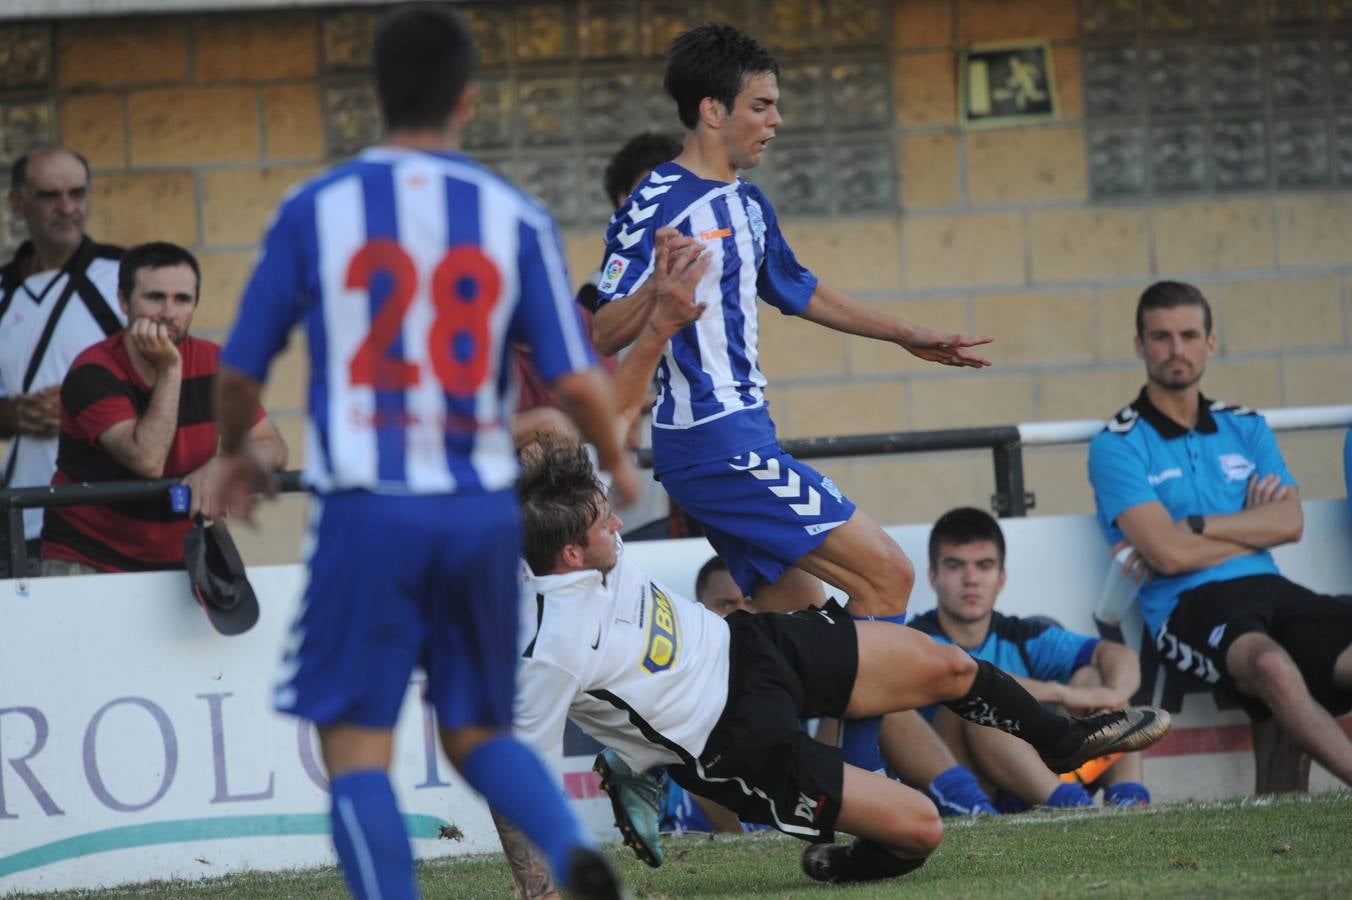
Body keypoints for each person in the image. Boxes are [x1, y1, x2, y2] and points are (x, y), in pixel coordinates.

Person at [208, 7, 634, 899]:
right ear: (467, 100)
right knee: (478, 729)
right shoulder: (509, 213)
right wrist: (616, 461)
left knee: (355, 739)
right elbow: (579, 378)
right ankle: (570, 849)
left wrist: (233, 452)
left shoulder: (315, 208)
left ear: (375, 94)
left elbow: (241, 370)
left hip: (371, 506)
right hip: (479, 511)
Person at [588, 22, 993, 782]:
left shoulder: (747, 204)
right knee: (888, 580)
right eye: (762, 105)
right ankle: (863, 792)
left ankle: (663, 750)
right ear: (712, 110)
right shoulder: (657, 200)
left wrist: (907, 333)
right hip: (712, 442)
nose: (777, 121)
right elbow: (605, 327)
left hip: (744, 440)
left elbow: (799, 289)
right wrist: (658, 290)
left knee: (806, 630)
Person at [507, 433, 1171, 887]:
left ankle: (1059, 744)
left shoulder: (561, 530)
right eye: (603, 523)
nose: (617, 526)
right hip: (737, 743)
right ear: (569, 554)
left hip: (755, 646)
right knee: (921, 829)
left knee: (950, 667)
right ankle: (842, 864)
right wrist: (537, 889)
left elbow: (530, 442)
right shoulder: (554, 644)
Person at [1088, 280, 1352, 788]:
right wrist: (1252, 529)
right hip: (1186, 605)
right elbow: (1165, 555)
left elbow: (1291, 524)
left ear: (1210, 343)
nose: (1176, 349)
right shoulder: (1117, 443)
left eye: (1189, 335)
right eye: (1161, 337)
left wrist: (1199, 526)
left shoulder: (1247, 426)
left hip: (1270, 589)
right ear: (1139, 345)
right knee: (1273, 666)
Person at [38, 241, 285, 576]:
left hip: (180, 560)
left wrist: (224, 462)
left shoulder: (216, 363)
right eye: (155, 297)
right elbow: (148, 459)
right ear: (123, 301)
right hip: (87, 558)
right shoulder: (93, 370)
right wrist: (170, 369)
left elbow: (274, 447)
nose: (169, 312)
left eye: (182, 299)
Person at [909, 507, 1152, 810]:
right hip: (967, 792)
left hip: (1031, 781)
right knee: (977, 703)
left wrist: (1113, 697)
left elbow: (1117, 654)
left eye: (984, 566)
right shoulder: (915, 638)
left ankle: (1129, 799)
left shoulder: (1021, 633)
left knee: (1092, 677)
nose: (971, 579)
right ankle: (1070, 805)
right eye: (956, 566)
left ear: (1001, 577)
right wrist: (1065, 693)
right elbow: (971, 680)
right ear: (933, 577)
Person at [0, 147, 124, 576]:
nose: (67, 208)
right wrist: (13, 413)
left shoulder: (126, 276)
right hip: (22, 516)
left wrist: (82, 408)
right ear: (18, 204)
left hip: (115, 518)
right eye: (49, 195)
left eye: (77, 193)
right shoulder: (3, 290)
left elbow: (175, 384)